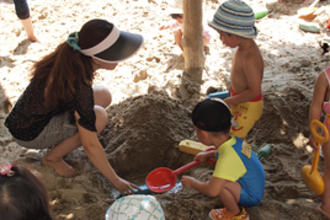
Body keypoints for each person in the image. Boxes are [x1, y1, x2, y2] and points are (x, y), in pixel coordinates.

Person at [4, 19, 144, 195]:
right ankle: (52, 158)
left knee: (103, 95)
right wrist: (117, 181)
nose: (121, 56)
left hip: (31, 117)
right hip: (29, 133)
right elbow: (90, 146)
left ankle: (57, 146)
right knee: (99, 117)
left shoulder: (73, 58)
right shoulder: (79, 85)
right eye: (114, 52)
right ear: (96, 58)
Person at [181, 98, 265, 220]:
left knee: (222, 186)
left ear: (203, 133)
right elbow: (226, 154)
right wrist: (209, 154)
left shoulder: (227, 158)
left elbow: (212, 191)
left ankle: (236, 214)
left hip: (252, 195)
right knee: (222, 182)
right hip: (254, 182)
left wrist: (193, 183)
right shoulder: (233, 140)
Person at [207, 0, 264, 139]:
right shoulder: (242, 48)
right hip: (237, 98)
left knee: (233, 137)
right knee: (212, 106)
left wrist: (231, 101)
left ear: (235, 35)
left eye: (222, 35)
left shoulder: (250, 58)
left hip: (248, 106)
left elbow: (254, 91)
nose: (221, 39)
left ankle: (237, 158)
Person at [309, 66, 330, 219]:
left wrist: (314, 132)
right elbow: (315, 106)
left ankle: (327, 206)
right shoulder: (325, 77)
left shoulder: (325, 76)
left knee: (329, 171)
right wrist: (314, 132)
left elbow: (316, 106)